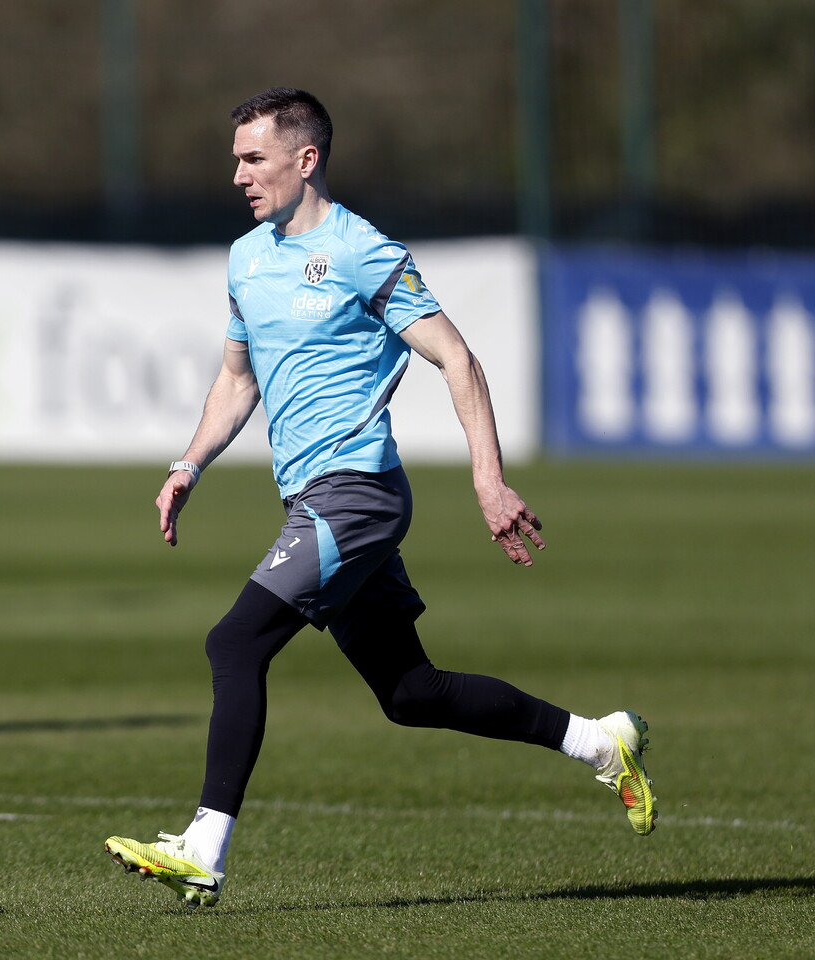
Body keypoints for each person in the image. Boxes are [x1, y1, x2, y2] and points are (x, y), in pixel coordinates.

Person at [103, 87, 656, 909]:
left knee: (235, 644)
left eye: (253, 159)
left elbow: (458, 359)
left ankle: (205, 849)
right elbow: (235, 378)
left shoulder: (363, 251)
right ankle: (598, 742)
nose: (239, 176)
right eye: (236, 161)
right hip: (313, 500)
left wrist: (488, 479)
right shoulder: (246, 257)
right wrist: (189, 464)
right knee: (409, 693)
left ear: (306, 159)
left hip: (356, 492)